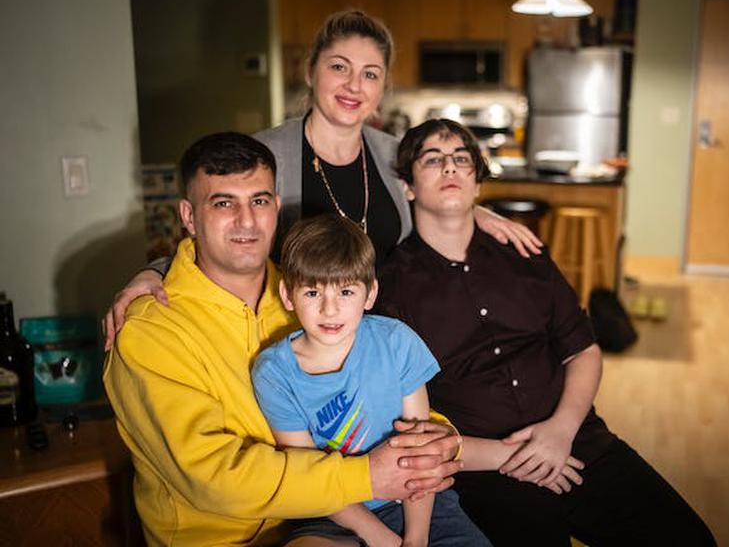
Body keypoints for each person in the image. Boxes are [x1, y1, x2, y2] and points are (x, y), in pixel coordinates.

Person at [102, 9, 540, 349]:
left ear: (383, 85)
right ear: (311, 71)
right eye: (339, 67)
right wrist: (152, 273)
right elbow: (218, 234)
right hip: (298, 347)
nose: (354, 85)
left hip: (391, 340)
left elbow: (441, 196)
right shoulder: (264, 156)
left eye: (370, 73)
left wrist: (477, 212)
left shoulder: (396, 155)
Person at [104, 132, 462, 546]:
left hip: (335, 518)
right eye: (223, 203)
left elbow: (379, 385)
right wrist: (369, 474)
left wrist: (438, 441)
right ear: (187, 215)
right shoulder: (150, 330)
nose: (246, 221)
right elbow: (212, 479)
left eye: (258, 201)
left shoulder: (308, 295)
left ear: (276, 206)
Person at [376, 119, 717, 547]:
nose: (450, 168)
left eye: (461, 159)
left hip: (577, 443)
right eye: (433, 159)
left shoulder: (524, 254)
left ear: (477, 184)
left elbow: (584, 350)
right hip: (483, 473)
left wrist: (560, 430)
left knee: (690, 540)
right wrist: (509, 455)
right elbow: (408, 419)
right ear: (408, 186)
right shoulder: (390, 288)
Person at [251, 214, 490, 547]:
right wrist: (383, 540)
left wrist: (416, 538)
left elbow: (421, 450)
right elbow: (310, 474)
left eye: (346, 291)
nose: (330, 310)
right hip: (332, 510)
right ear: (288, 295)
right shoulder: (273, 372)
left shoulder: (396, 341)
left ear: (370, 293)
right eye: (312, 293)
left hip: (415, 499)